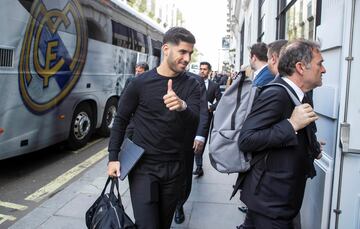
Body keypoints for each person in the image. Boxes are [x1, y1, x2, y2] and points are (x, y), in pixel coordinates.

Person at [107, 27, 200, 229]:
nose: (187, 58)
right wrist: (113, 157)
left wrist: (182, 106)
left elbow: (195, 122)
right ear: (166, 49)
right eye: (182, 52)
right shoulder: (139, 83)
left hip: (176, 166)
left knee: (163, 224)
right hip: (143, 166)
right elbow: (121, 119)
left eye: (190, 53)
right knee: (148, 225)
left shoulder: (193, 85)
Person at [237, 39, 326, 228]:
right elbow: (246, 139)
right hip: (270, 202)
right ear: (301, 67)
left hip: (279, 200)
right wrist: (291, 124)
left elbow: (289, 139)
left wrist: (312, 147)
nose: (323, 70)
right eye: (320, 64)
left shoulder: (300, 94)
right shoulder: (276, 94)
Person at [174, 71, 209, 224]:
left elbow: (203, 110)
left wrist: (200, 134)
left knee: (183, 175)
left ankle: (179, 205)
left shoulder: (196, 80)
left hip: (186, 139)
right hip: (160, 141)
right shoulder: (152, 78)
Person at [193, 61, 222, 177]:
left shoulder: (214, 86)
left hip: (207, 116)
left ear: (209, 71)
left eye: (204, 69)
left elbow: (221, 100)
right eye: (201, 68)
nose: (202, 71)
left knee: (201, 140)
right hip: (194, 115)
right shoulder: (193, 83)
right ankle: (197, 165)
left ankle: (199, 167)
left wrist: (212, 107)